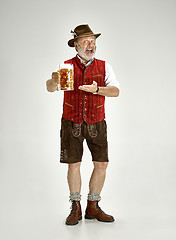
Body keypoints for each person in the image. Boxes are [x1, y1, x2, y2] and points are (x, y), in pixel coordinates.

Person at [46, 24, 120, 225]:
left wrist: (98, 90)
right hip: (71, 122)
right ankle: (75, 207)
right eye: (86, 41)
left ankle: (92, 206)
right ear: (76, 45)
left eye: (93, 41)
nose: (91, 45)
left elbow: (116, 91)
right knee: (73, 165)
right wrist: (53, 81)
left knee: (102, 164)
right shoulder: (66, 66)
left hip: (97, 122)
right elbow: (51, 88)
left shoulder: (104, 66)